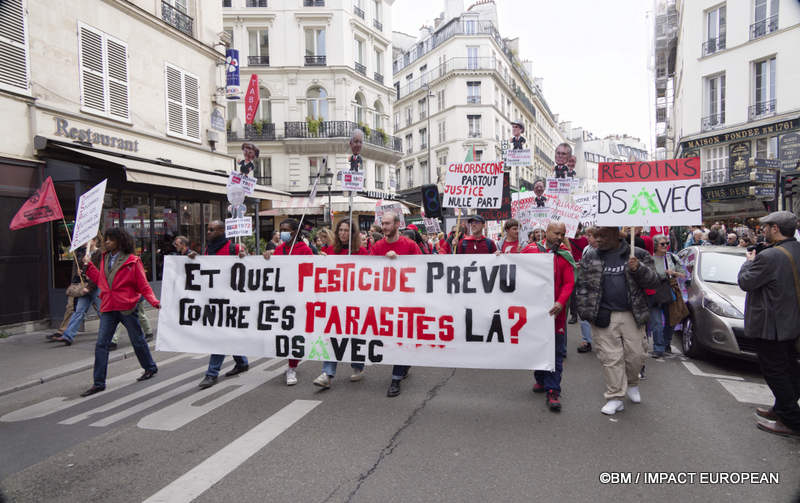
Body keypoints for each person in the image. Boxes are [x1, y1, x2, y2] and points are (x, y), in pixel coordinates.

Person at [575, 227, 660, 415]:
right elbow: (582, 286)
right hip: (603, 316)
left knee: (636, 355)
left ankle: (632, 383)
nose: (597, 240)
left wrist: (639, 269)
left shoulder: (637, 254)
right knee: (611, 358)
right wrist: (585, 312)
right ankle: (615, 396)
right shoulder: (591, 256)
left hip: (632, 314)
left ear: (615, 235)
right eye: (595, 236)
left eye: (602, 236)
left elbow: (654, 281)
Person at [737, 211, 800, 437]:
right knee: (790, 367)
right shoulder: (795, 250)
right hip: (791, 322)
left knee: (775, 371)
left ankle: (791, 419)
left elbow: (745, 282)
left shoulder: (770, 257)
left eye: (766, 226)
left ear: (776, 228)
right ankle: (782, 408)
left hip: (770, 325)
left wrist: (748, 263)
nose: (762, 230)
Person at [79, 228, 160, 396]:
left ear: (120, 241)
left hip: (127, 306)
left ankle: (150, 367)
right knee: (102, 344)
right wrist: (88, 268)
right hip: (108, 306)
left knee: (137, 340)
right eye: (106, 239)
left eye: (110, 239)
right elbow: (102, 280)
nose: (106, 242)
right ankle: (99, 383)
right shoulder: (103, 257)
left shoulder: (132, 261)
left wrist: (154, 302)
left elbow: (143, 285)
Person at [521, 222, 575, 412]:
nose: (560, 237)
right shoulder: (530, 250)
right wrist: (499, 258)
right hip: (535, 313)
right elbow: (514, 267)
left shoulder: (565, 254)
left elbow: (569, 282)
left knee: (555, 351)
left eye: (563, 234)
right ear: (547, 232)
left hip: (555, 313)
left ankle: (553, 389)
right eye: (556, 233)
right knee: (537, 348)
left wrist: (561, 302)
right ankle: (541, 379)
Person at [370, 211, 422, 397]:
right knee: (392, 338)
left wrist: (399, 262)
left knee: (401, 336)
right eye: (382, 224)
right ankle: (404, 363)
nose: (384, 227)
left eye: (387, 224)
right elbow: (369, 271)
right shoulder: (377, 247)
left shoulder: (410, 245)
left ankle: (395, 379)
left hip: (406, 300)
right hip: (385, 300)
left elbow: (421, 268)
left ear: (397, 225)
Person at [192, 221, 249, 389]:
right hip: (213, 298)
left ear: (222, 230)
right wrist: (193, 258)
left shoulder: (235, 248)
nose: (208, 232)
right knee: (226, 332)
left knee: (220, 335)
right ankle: (241, 362)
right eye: (207, 229)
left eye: (211, 229)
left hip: (232, 299)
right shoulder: (207, 249)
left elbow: (249, 269)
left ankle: (212, 373)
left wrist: (245, 257)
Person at [313, 219, 368, 389]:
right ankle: (327, 373)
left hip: (356, 302)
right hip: (335, 303)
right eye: (340, 230)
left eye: (346, 230)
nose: (343, 233)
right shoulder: (329, 251)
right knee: (332, 337)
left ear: (353, 233)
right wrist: (320, 260)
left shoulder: (362, 252)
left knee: (354, 336)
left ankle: (358, 366)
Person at [264, 218, 314, 385]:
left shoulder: (305, 250)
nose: (284, 233)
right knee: (285, 333)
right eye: (281, 230)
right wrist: (267, 257)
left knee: (295, 333)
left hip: (299, 298)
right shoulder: (279, 250)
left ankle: (292, 366)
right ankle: (291, 363)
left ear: (295, 232)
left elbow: (310, 273)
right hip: (282, 299)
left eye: (287, 230)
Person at [51, 237, 102, 346]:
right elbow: (83, 269)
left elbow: (99, 274)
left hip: (96, 287)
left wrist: (89, 288)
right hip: (85, 286)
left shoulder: (99, 254)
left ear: (94, 241)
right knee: (79, 311)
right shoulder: (84, 254)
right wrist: (81, 271)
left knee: (102, 312)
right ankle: (68, 336)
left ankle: (109, 334)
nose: (84, 242)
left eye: (87, 240)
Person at [648, 234, 686, 357]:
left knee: (671, 321)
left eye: (667, 244)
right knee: (657, 323)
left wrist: (673, 272)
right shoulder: (649, 258)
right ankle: (658, 348)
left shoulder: (672, 258)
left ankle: (666, 343)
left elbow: (684, 275)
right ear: (655, 245)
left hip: (669, 292)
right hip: (654, 294)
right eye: (662, 244)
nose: (665, 246)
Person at [577, 227, 598, 353]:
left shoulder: (603, 250)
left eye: (590, 235)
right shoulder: (586, 248)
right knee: (583, 314)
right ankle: (586, 341)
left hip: (597, 286)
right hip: (585, 285)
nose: (587, 238)